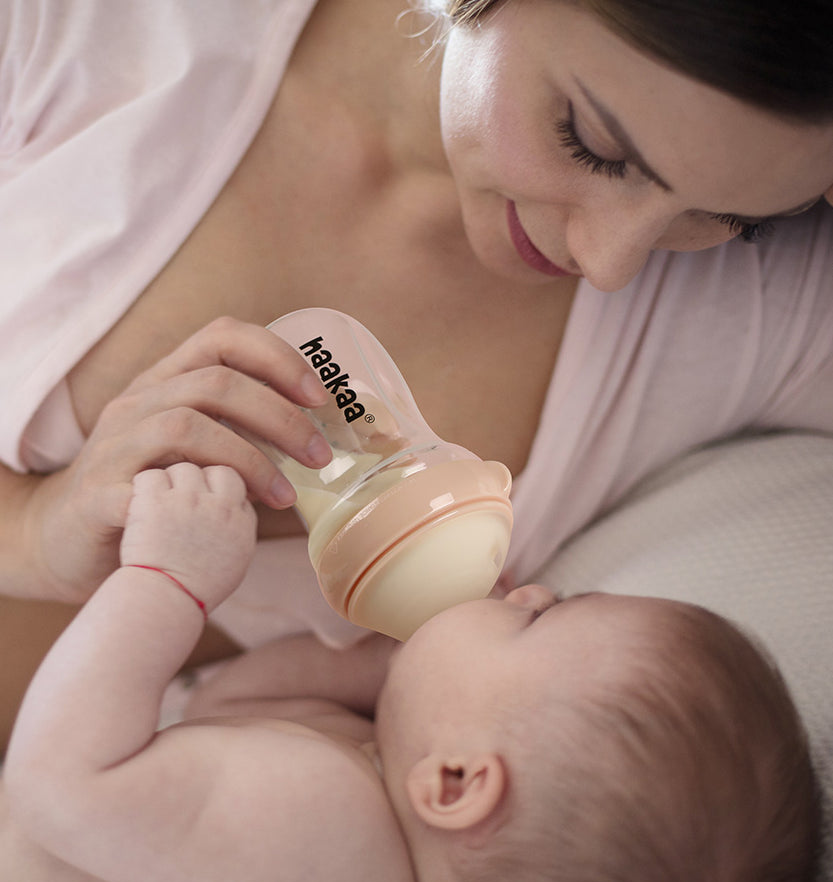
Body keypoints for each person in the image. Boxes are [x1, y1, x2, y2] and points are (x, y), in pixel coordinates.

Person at [2, 0, 833, 750]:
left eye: (732, 221)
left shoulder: (760, 308)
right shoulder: (76, 33)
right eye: (592, 141)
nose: (611, 262)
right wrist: (34, 532)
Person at [1, 462, 821, 882]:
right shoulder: (362, 840)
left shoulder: (315, 812)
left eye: (539, 620)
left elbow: (58, 783)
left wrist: (169, 580)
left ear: (457, 781)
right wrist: (390, 668)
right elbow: (223, 713)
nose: (529, 591)